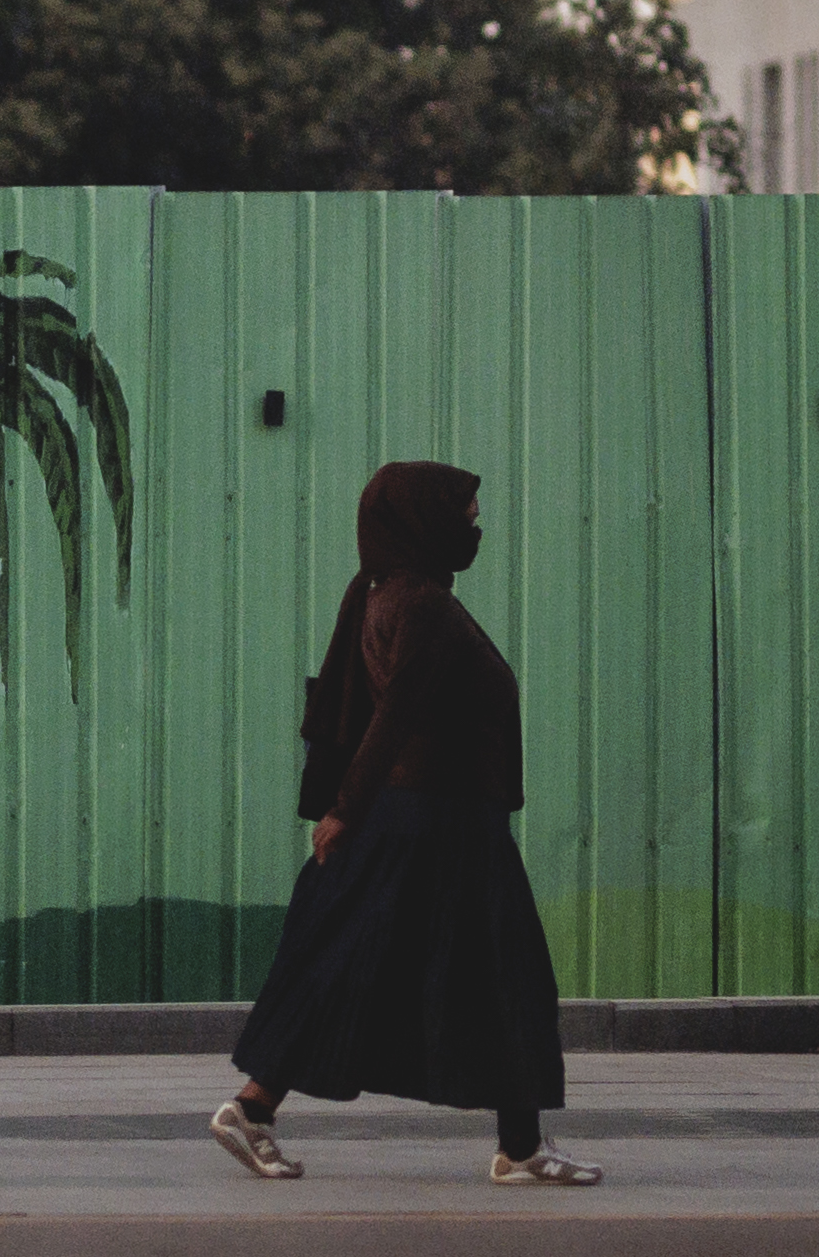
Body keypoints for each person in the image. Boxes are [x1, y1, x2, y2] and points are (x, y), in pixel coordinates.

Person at [210, 461, 602, 1187]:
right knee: (501, 977)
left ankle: (516, 1145)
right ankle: (255, 1107)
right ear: (422, 518)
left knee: (408, 972)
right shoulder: (419, 601)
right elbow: (395, 715)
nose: (476, 519)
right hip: (432, 821)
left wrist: (352, 809)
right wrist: (344, 809)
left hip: (441, 818)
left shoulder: (391, 593)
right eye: (465, 509)